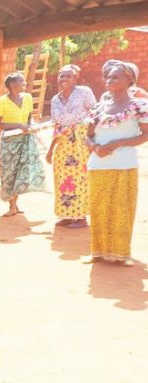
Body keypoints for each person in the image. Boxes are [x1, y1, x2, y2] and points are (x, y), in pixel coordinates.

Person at [85, 61, 148, 266]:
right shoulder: (98, 107)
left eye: (115, 77)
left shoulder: (139, 106)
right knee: (99, 208)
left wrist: (117, 143)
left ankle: (121, 254)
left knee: (122, 209)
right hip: (98, 165)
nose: (109, 80)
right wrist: (95, 148)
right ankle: (98, 252)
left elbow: (144, 135)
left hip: (125, 164)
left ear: (130, 79)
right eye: (108, 77)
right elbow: (88, 137)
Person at [46, 65, 96, 228]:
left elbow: (95, 114)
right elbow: (57, 126)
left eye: (68, 76)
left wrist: (91, 138)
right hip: (63, 144)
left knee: (80, 178)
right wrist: (50, 149)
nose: (64, 79)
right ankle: (67, 215)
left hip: (80, 143)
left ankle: (81, 217)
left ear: (76, 79)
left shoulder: (84, 92)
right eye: (61, 76)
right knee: (63, 179)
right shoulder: (55, 100)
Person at [0, 71, 45, 217]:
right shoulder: (2, 101)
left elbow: (29, 118)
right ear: (12, 85)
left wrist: (30, 127)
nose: (25, 84)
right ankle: (11, 205)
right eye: (21, 82)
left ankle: (15, 204)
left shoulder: (28, 98)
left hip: (25, 139)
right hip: (9, 141)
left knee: (21, 173)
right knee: (9, 173)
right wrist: (18, 125)